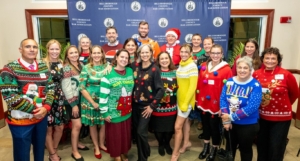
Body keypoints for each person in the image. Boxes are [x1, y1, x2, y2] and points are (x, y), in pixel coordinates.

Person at [0, 38, 55, 161]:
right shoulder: (9, 69)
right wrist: (36, 111)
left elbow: (51, 88)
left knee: (40, 150)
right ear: (20, 49)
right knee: (22, 153)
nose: (32, 49)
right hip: (20, 121)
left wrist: (46, 108)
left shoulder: (43, 67)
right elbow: (10, 96)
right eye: (28, 47)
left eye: (34, 47)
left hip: (41, 119)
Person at [253, 47, 299, 161]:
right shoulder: (256, 74)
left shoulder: (286, 75)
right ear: (262, 59)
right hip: (261, 116)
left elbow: (294, 93)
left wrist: (283, 106)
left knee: (276, 146)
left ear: (278, 60)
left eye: (273, 58)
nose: (270, 61)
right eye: (267, 58)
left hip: (281, 118)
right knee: (262, 144)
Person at [220, 56, 262, 161]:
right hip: (230, 124)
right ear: (236, 68)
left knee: (245, 150)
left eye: (245, 68)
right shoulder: (229, 82)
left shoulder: (255, 85)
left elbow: (252, 106)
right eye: (240, 67)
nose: (242, 70)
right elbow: (222, 100)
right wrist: (226, 120)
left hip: (248, 125)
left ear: (250, 69)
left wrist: (231, 117)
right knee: (229, 149)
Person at [196, 44, 232, 161]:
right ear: (209, 54)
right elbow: (199, 83)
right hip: (204, 103)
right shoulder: (203, 66)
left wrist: (224, 106)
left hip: (217, 104)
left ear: (222, 54)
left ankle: (214, 148)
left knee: (214, 127)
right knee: (205, 126)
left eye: (218, 53)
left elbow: (229, 89)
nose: (215, 55)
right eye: (213, 53)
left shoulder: (226, 69)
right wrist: (197, 99)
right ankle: (206, 146)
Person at [99, 49, 134, 161]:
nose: (124, 59)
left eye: (126, 58)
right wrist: (104, 112)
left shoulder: (130, 71)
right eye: (122, 57)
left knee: (125, 136)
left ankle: (124, 152)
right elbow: (103, 96)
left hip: (127, 112)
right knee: (115, 137)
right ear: (116, 58)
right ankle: (117, 156)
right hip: (113, 113)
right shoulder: (108, 75)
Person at [131, 44, 164, 161]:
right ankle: (146, 150)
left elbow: (161, 90)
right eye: (142, 52)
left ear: (151, 53)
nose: (144, 54)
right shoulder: (134, 66)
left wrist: (151, 106)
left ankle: (143, 158)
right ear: (139, 54)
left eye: (147, 52)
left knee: (141, 132)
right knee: (137, 132)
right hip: (134, 105)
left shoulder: (155, 69)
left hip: (146, 107)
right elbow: (121, 68)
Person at [79, 45, 109, 159]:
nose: (96, 55)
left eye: (98, 53)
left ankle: (102, 144)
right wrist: (92, 102)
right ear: (91, 54)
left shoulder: (108, 66)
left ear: (102, 54)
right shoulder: (86, 68)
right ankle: (96, 146)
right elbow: (81, 87)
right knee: (93, 125)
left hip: (104, 99)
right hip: (89, 100)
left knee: (103, 124)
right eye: (94, 53)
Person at [171, 44, 198, 161]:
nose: (183, 54)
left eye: (186, 52)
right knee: (186, 123)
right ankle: (186, 143)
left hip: (185, 102)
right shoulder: (181, 65)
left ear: (191, 53)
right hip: (179, 99)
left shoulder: (192, 66)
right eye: (182, 51)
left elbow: (192, 87)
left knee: (177, 127)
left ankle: (175, 153)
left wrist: (185, 103)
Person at [61, 45, 87, 161]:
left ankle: (77, 143)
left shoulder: (81, 65)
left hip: (81, 99)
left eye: (75, 52)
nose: (74, 55)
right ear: (67, 55)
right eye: (71, 53)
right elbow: (66, 88)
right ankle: (74, 151)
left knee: (80, 124)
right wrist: (73, 104)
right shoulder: (67, 68)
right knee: (77, 125)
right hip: (73, 101)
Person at [43, 39, 67, 161]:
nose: (54, 51)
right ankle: (52, 154)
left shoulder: (61, 63)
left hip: (59, 99)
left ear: (60, 50)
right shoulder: (42, 64)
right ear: (48, 50)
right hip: (47, 99)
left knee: (59, 127)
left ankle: (54, 150)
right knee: (48, 128)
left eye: (57, 49)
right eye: (52, 49)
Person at [152, 51, 178, 156]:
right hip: (157, 107)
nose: (164, 61)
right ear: (158, 61)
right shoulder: (154, 71)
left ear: (169, 59)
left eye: (166, 58)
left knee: (169, 129)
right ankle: (160, 144)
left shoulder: (176, 72)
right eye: (161, 59)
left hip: (171, 107)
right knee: (158, 128)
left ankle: (167, 144)